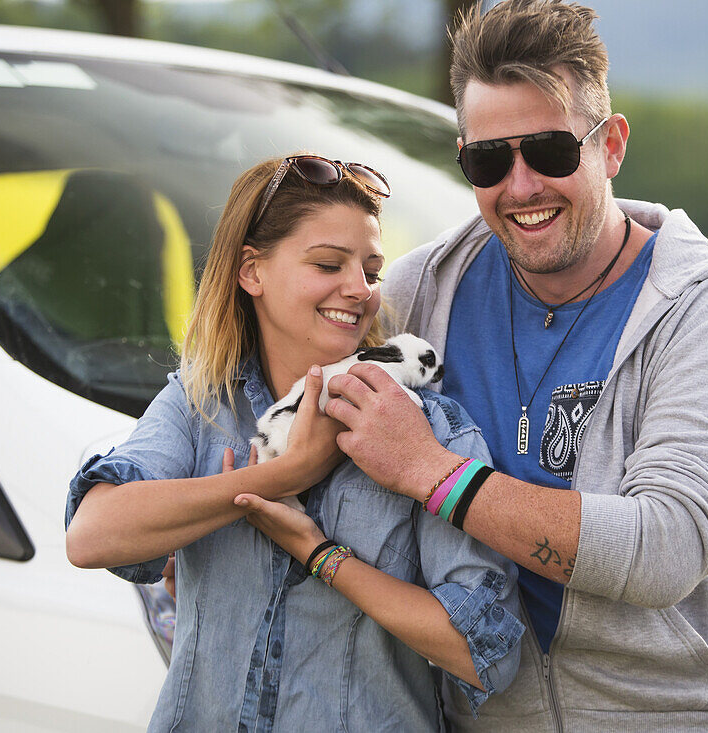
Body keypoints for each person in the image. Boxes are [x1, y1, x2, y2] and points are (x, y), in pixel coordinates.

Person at [322, 1, 708, 730]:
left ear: (611, 146)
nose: (520, 187)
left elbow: (667, 545)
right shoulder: (421, 290)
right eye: (487, 160)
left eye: (549, 151)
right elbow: (274, 391)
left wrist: (433, 472)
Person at [64, 154, 523, 731]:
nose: (359, 290)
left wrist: (323, 556)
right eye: (329, 263)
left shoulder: (428, 428)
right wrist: (281, 475)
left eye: (372, 271)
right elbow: (90, 536)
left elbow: (489, 653)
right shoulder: (200, 401)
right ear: (251, 272)